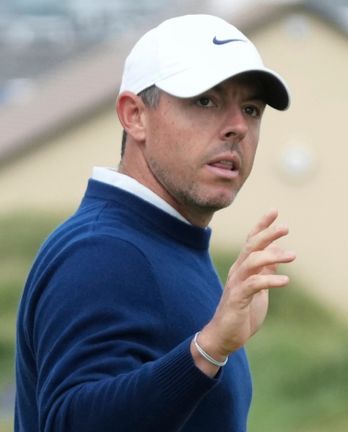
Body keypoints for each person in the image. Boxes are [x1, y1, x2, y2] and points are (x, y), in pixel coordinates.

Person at [15, 14, 295, 431]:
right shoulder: (104, 251)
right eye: (206, 101)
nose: (238, 127)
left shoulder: (162, 241)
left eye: (251, 109)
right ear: (135, 116)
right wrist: (208, 349)